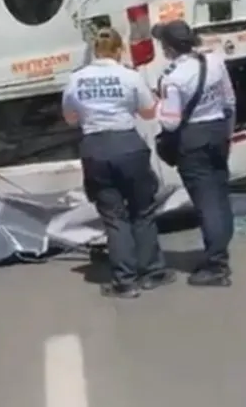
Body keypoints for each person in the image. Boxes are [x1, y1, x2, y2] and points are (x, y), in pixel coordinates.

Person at [61, 28, 174, 298]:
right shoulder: (130, 76)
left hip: (96, 148)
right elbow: (148, 112)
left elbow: (70, 119)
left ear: (94, 52)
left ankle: (125, 281)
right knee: (142, 211)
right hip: (128, 146)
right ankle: (152, 272)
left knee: (113, 217)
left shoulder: (76, 80)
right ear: (119, 49)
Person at [155, 20, 238, 287]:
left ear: (168, 47)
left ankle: (216, 264)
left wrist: (156, 105)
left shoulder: (173, 78)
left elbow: (170, 122)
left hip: (193, 141)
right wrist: (227, 133)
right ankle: (220, 250)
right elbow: (229, 100)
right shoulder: (213, 61)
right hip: (217, 132)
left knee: (206, 202)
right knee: (219, 195)